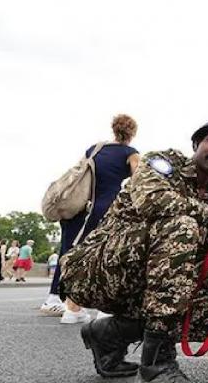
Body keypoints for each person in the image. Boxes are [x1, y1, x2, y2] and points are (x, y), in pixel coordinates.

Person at [59, 118, 208, 383]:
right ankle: (156, 363)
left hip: (150, 277)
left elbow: (207, 252)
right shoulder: (162, 163)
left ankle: (109, 334)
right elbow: (152, 200)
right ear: (196, 144)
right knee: (181, 226)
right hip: (96, 269)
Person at [40, 114, 140, 323]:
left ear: (114, 129)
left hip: (81, 207)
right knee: (106, 255)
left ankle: (67, 305)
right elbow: (140, 180)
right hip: (108, 207)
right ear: (132, 133)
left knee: (71, 254)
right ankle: (104, 309)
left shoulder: (94, 149)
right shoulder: (130, 153)